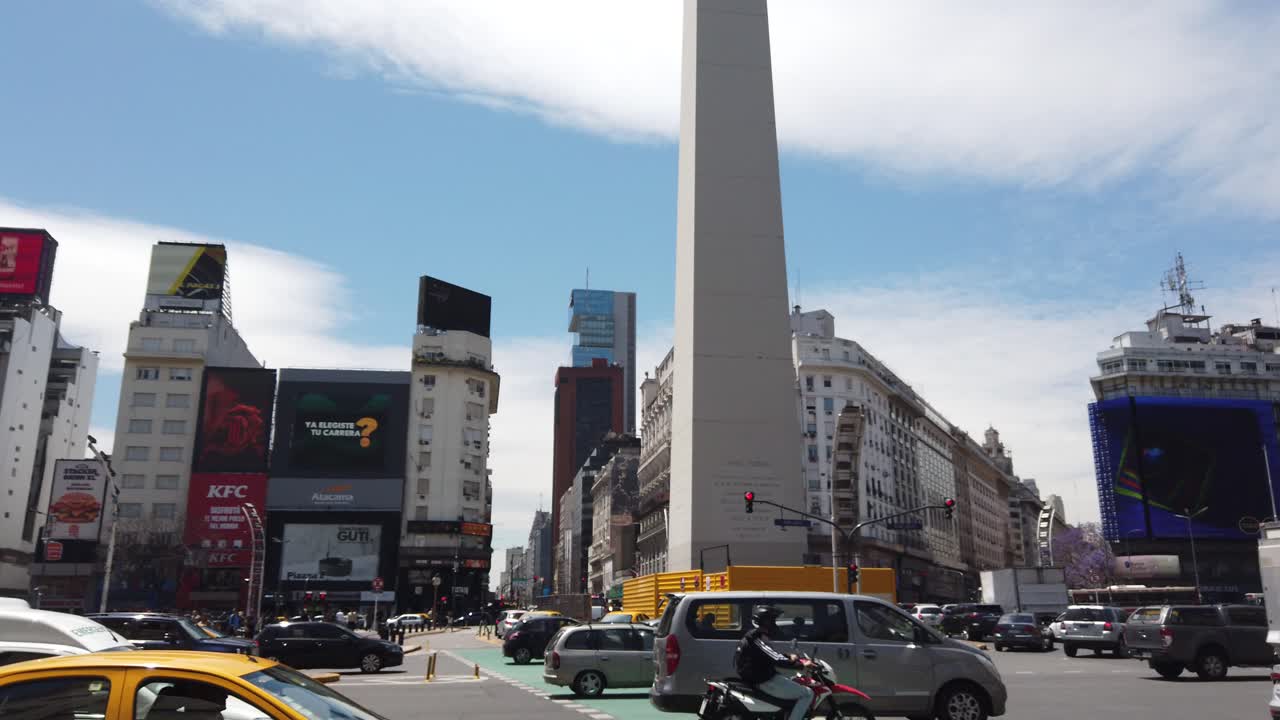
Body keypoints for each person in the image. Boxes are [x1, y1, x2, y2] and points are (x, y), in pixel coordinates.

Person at [734, 606, 811, 720]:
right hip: (763, 680)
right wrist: (801, 665)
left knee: (793, 682)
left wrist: (788, 656)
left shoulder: (754, 636)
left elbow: (768, 655)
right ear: (767, 622)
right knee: (807, 694)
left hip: (760, 676)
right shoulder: (757, 639)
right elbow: (776, 659)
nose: (774, 624)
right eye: (772, 621)